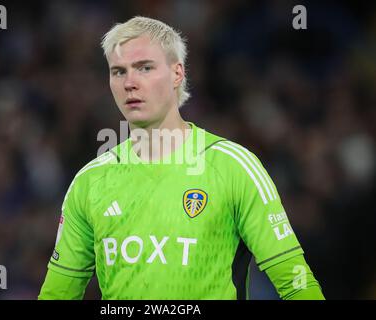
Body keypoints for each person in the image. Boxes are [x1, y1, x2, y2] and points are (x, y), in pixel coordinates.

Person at [38, 16, 324, 300]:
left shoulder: (234, 167)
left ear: (177, 74)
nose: (130, 83)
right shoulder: (90, 182)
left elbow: (296, 283)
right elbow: (57, 294)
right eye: (118, 72)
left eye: (144, 68)